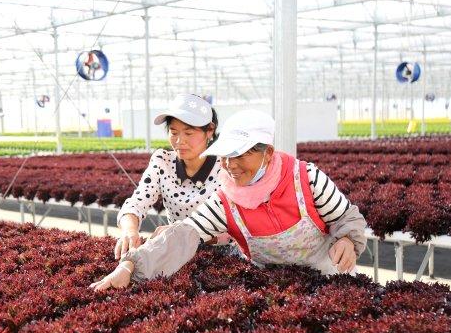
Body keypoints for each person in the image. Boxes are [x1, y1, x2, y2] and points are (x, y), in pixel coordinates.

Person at [91, 109, 367, 291]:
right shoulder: (226, 199)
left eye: (240, 155)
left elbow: (346, 217)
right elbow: (186, 234)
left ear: (268, 153)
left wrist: (348, 240)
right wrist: (130, 266)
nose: (230, 165)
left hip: (329, 276)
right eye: (225, 157)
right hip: (274, 285)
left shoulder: (305, 178)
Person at [114, 94, 222, 259]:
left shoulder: (226, 166)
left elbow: (238, 224)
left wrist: (185, 233)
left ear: (210, 131)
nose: (179, 141)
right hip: (176, 254)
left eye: (189, 133)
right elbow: (136, 203)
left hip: (221, 255)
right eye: (173, 132)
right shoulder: (163, 161)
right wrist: (130, 230)